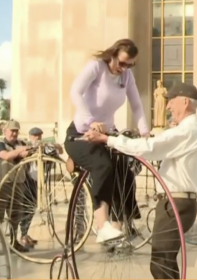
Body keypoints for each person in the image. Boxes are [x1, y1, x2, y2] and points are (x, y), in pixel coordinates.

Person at [83, 82, 197, 280]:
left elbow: (148, 148)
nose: (167, 105)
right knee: (164, 262)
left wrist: (107, 139)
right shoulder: (189, 130)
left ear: (185, 102)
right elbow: (160, 146)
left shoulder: (187, 131)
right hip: (177, 201)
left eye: (171, 100)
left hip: (176, 204)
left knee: (162, 262)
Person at [64, 38, 150, 243]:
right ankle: (102, 225)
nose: (125, 68)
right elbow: (75, 91)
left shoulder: (126, 77)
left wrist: (145, 132)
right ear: (112, 55)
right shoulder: (96, 67)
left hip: (108, 134)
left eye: (130, 65)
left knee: (124, 170)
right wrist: (91, 120)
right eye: (122, 63)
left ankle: (120, 225)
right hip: (81, 133)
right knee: (103, 166)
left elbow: (136, 105)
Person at [18, 127, 64, 248]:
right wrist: (30, 151)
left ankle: (25, 233)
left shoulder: (45, 147)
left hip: (37, 180)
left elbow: (60, 152)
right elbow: (21, 155)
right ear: (30, 136)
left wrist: (56, 146)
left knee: (32, 208)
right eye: (34, 136)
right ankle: (22, 235)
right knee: (25, 208)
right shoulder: (26, 146)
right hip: (26, 181)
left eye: (39, 135)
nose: (37, 138)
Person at [0, 120, 29, 257]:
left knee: (16, 214)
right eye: (12, 130)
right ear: (5, 132)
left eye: (16, 130)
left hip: (18, 183)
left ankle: (13, 241)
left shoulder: (22, 144)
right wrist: (20, 152)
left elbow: (30, 153)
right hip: (3, 184)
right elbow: (5, 156)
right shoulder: (0, 145)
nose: (14, 133)